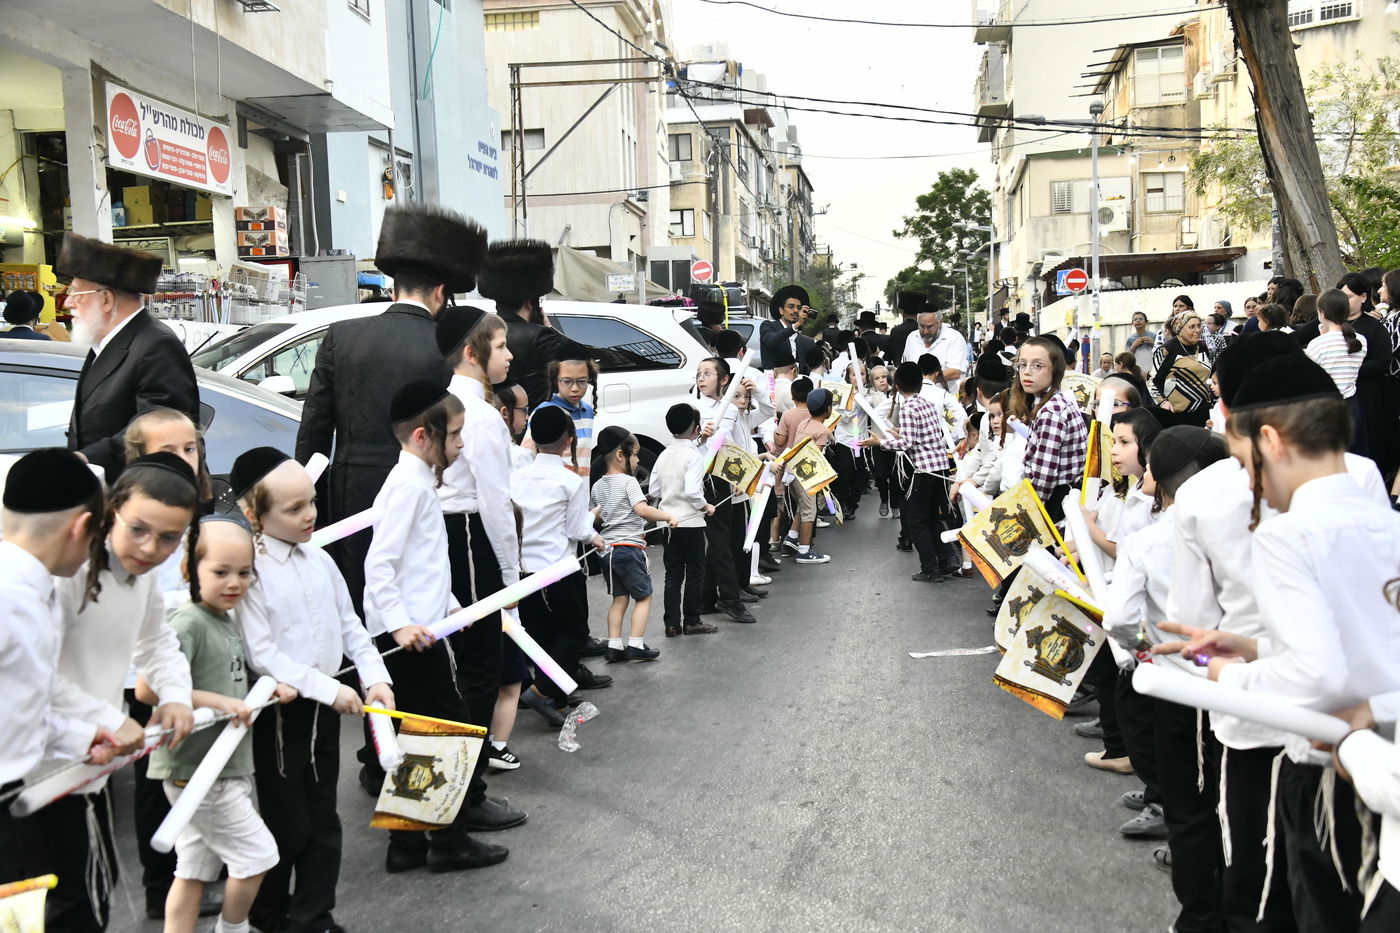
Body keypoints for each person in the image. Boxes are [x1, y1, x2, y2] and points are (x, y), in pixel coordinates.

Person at [1161, 352, 1400, 933]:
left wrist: (1227, 674)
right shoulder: (1382, 509)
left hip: (1320, 755)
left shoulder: (1284, 531)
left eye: (1247, 465)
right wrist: (1258, 649)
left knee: (1270, 898)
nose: (1250, 486)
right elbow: (1356, 644)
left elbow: (1318, 674)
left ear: (1268, 439)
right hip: (1370, 753)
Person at [229, 449, 395, 933]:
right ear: (252, 514)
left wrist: (375, 676)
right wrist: (327, 688)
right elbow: (261, 652)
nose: (310, 515)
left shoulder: (320, 558)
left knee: (324, 815)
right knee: (286, 819)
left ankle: (314, 915)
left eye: (313, 502)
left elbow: (350, 625)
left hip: (327, 707)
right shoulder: (250, 571)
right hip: (283, 711)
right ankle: (270, 914)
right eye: (294, 508)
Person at [296, 204, 487, 616]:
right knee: (423, 595)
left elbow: (314, 431)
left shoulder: (342, 336)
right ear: (441, 292)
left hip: (353, 491)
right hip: (427, 489)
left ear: (394, 286)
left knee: (359, 598)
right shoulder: (449, 348)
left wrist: (303, 499)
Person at [363, 380, 510, 873]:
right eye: (455, 435)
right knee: (449, 732)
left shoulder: (417, 480)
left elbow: (423, 561)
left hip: (423, 627)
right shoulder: (408, 485)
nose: (462, 445)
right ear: (423, 436)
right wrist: (401, 626)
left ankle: (406, 844)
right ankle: (449, 842)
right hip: (410, 637)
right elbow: (380, 565)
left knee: (421, 737)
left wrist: (449, 605)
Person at [142, 515, 295, 933]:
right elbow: (148, 689)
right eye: (221, 572)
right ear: (189, 570)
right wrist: (221, 702)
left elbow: (229, 681)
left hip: (220, 768)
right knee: (259, 856)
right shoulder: (188, 621)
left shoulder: (224, 618)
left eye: (244, 573)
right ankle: (233, 929)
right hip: (198, 772)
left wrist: (268, 690)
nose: (235, 583)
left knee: (193, 869)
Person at [1105, 427, 1231, 932]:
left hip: (1177, 687)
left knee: (1189, 809)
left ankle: (1200, 915)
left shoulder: (1147, 541)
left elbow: (1120, 620)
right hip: (1244, 687)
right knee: (1234, 806)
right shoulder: (1243, 530)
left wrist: (1146, 655)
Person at [434, 307, 538, 811]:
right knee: (479, 671)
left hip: (445, 539)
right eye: (500, 346)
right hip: (469, 537)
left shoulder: (446, 402)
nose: (510, 355)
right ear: (471, 354)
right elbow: (496, 503)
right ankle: (466, 795)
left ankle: (450, 796)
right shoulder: (477, 415)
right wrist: (512, 582)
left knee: (456, 671)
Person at [0, 449, 114, 886]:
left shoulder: (31, 588)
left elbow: (19, 706)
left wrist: (83, 736)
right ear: (81, 527)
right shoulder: (13, 598)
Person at [57, 234, 198, 481]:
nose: (68, 303)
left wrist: (88, 458)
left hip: (138, 490)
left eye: (76, 293)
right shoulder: (107, 343)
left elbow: (159, 427)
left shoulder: (156, 345)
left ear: (106, 299)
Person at [510, 406, 611, 732]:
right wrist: (595, 531)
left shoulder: (515, 477)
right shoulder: (570, 480)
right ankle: (541, 692)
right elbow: (576, 528)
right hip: (558, 570)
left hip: (523, 571)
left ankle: (556, 698)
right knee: (573, 632)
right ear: (569, 439)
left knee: (540, 635)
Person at [863, 362, 956, 581]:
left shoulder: (907, 407)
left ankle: (930, 569)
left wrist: (880, 443)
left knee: (916, 522)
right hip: (940, 468)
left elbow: (907, 443)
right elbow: (922, 436)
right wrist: (898, 433)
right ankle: (947, 560)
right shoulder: (927, 404)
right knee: (932, 517)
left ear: (897, 385)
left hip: (923, 471)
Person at [591, 426, 676, 661]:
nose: (638, 460)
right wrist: (668, 516)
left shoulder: (597, 486)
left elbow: (595, 517)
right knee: (644, 597)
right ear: (621, 455)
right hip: (629, 549)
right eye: (635, 454)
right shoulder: (629, 483)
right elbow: (642, 510)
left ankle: (614, 645)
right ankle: (636, 644)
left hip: (607, 551)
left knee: (619, 599)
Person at [477, 239, 587, 408]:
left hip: (497, 415)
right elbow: (581, 355)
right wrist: (549, 328)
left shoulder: (481, 333)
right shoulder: (540, 335)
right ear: (531, 303)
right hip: (534, 418)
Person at [693, 357, 760, 618]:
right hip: (701, 479)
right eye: (699, 373)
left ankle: (707, 598)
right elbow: (685, 444)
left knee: (722, 540)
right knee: (719, 541)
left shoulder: (730, 410)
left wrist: (738, 477)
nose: (701, 378)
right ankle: (729, 599)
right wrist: (701, 437)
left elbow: (731, 446)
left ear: (723, 380)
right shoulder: (693, 407)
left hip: (722, 479)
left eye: (707, 373)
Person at [649, 403, 718, 637]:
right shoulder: (693, 455)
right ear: (697, 429)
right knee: (695, 572)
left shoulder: (663, 454)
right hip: (691, 522)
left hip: (668, 523)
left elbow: (654, 489)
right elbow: (692, 492)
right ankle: (692, 620)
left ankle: (671, 624)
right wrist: (706, 506)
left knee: (673, 574)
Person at [1010, 336, 1088, 521]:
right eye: (1022, 364)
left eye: (1037, 365)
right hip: (1062, 497)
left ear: (1055, 369)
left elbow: (1044, 478)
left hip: (1057, 501)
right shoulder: (1054, 403)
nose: (1027, 372)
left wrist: (1029, 515)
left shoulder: (1051, 412)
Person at [776, 387, 836, 565]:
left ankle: (792, 537)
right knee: (810, 511)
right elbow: (815, 457)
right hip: (805, 476)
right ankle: (804, 551)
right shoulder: (822, 431)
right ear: (829, 409)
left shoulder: (804, 423)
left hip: (790, 473)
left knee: (802, 507)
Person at [536, 358, 598, 478]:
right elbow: (527, 455)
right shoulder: (545, 412)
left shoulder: (587, 411)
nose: (575, 388)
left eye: (582, 381)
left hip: (581, 486)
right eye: (567, 381)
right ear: (556, 380)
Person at [1152, 310, 1214, 427]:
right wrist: (1162, 402)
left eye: (1199, 326)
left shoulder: (1202, 347)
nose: (1197, 330)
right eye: (1192, 327)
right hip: (1176, 414)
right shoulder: (1166, 349)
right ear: (1179, 330)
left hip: (1203, 411)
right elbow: (1151, 380)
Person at [901, 309, 969, 396]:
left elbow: (955, 372)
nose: (925, 331)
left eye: (930, 327)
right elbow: (905, 367)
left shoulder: (954, 338)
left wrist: (922, 380)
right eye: (921, 326)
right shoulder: (912, 337)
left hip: (945, 398)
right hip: (916, 398)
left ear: (940, 322)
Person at [760, 285, 817, 372]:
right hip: (773, 379)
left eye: (798, 308)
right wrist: (796, 325)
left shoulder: (807, 342)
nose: (796, 311)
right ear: (781, 310)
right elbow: (771, 341)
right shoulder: (768, 326)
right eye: (791, 306)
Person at [886, 291, 925, 367]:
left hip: (900, 368)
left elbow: (891, 353)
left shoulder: (895, 331)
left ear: (903, 314)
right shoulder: (923, 329)